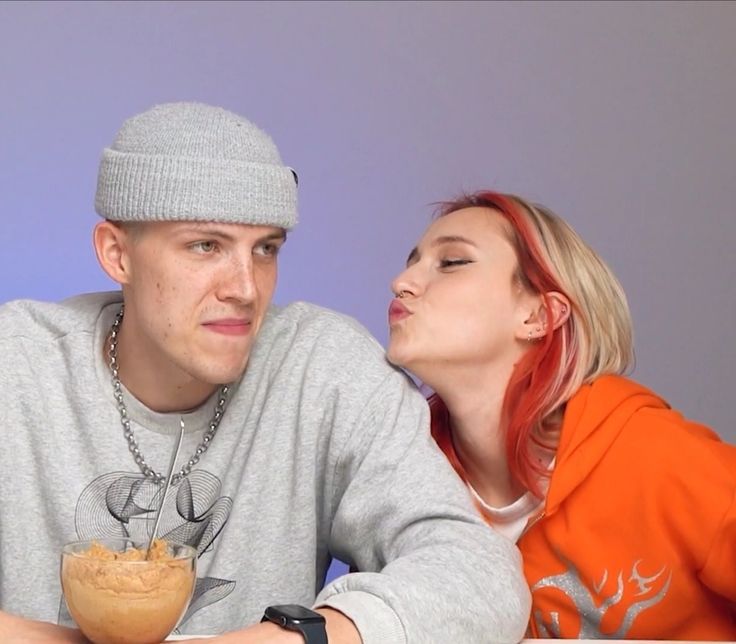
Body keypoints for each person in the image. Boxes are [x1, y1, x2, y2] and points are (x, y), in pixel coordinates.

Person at [0, 105, 531, 643]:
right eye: (205, 246)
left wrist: (294, 639)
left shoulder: (324, 370)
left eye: (266, 250)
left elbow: (480, 578)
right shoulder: (15, 364)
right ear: (117, 254)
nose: (246, 289)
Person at [386, 189, 736, 639]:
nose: (401, 282)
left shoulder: (657, 458)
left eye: (451, 262)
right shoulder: (400, 486)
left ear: (539, 315)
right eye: (410, 261)